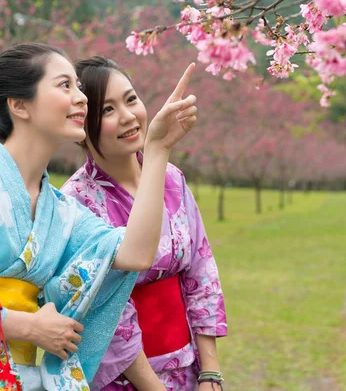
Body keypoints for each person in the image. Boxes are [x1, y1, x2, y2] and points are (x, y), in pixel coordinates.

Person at [0, 43, 198, 391]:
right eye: (64, 85)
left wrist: (158, 148)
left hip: (14, 379)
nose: (81, 99)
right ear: (19, 104)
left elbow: (136, 253)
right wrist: (29, 327)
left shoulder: (61, 212)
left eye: (79, 87)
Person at [61, 56, 226, 391]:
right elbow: (103, 314)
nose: (127, 117)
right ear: (81, 123)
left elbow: (201, 270)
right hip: (124, 379)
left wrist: (210, 370)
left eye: (131, 99)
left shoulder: (172, 178)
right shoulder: (76, 203)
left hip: (189, 367)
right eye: (107, 110)